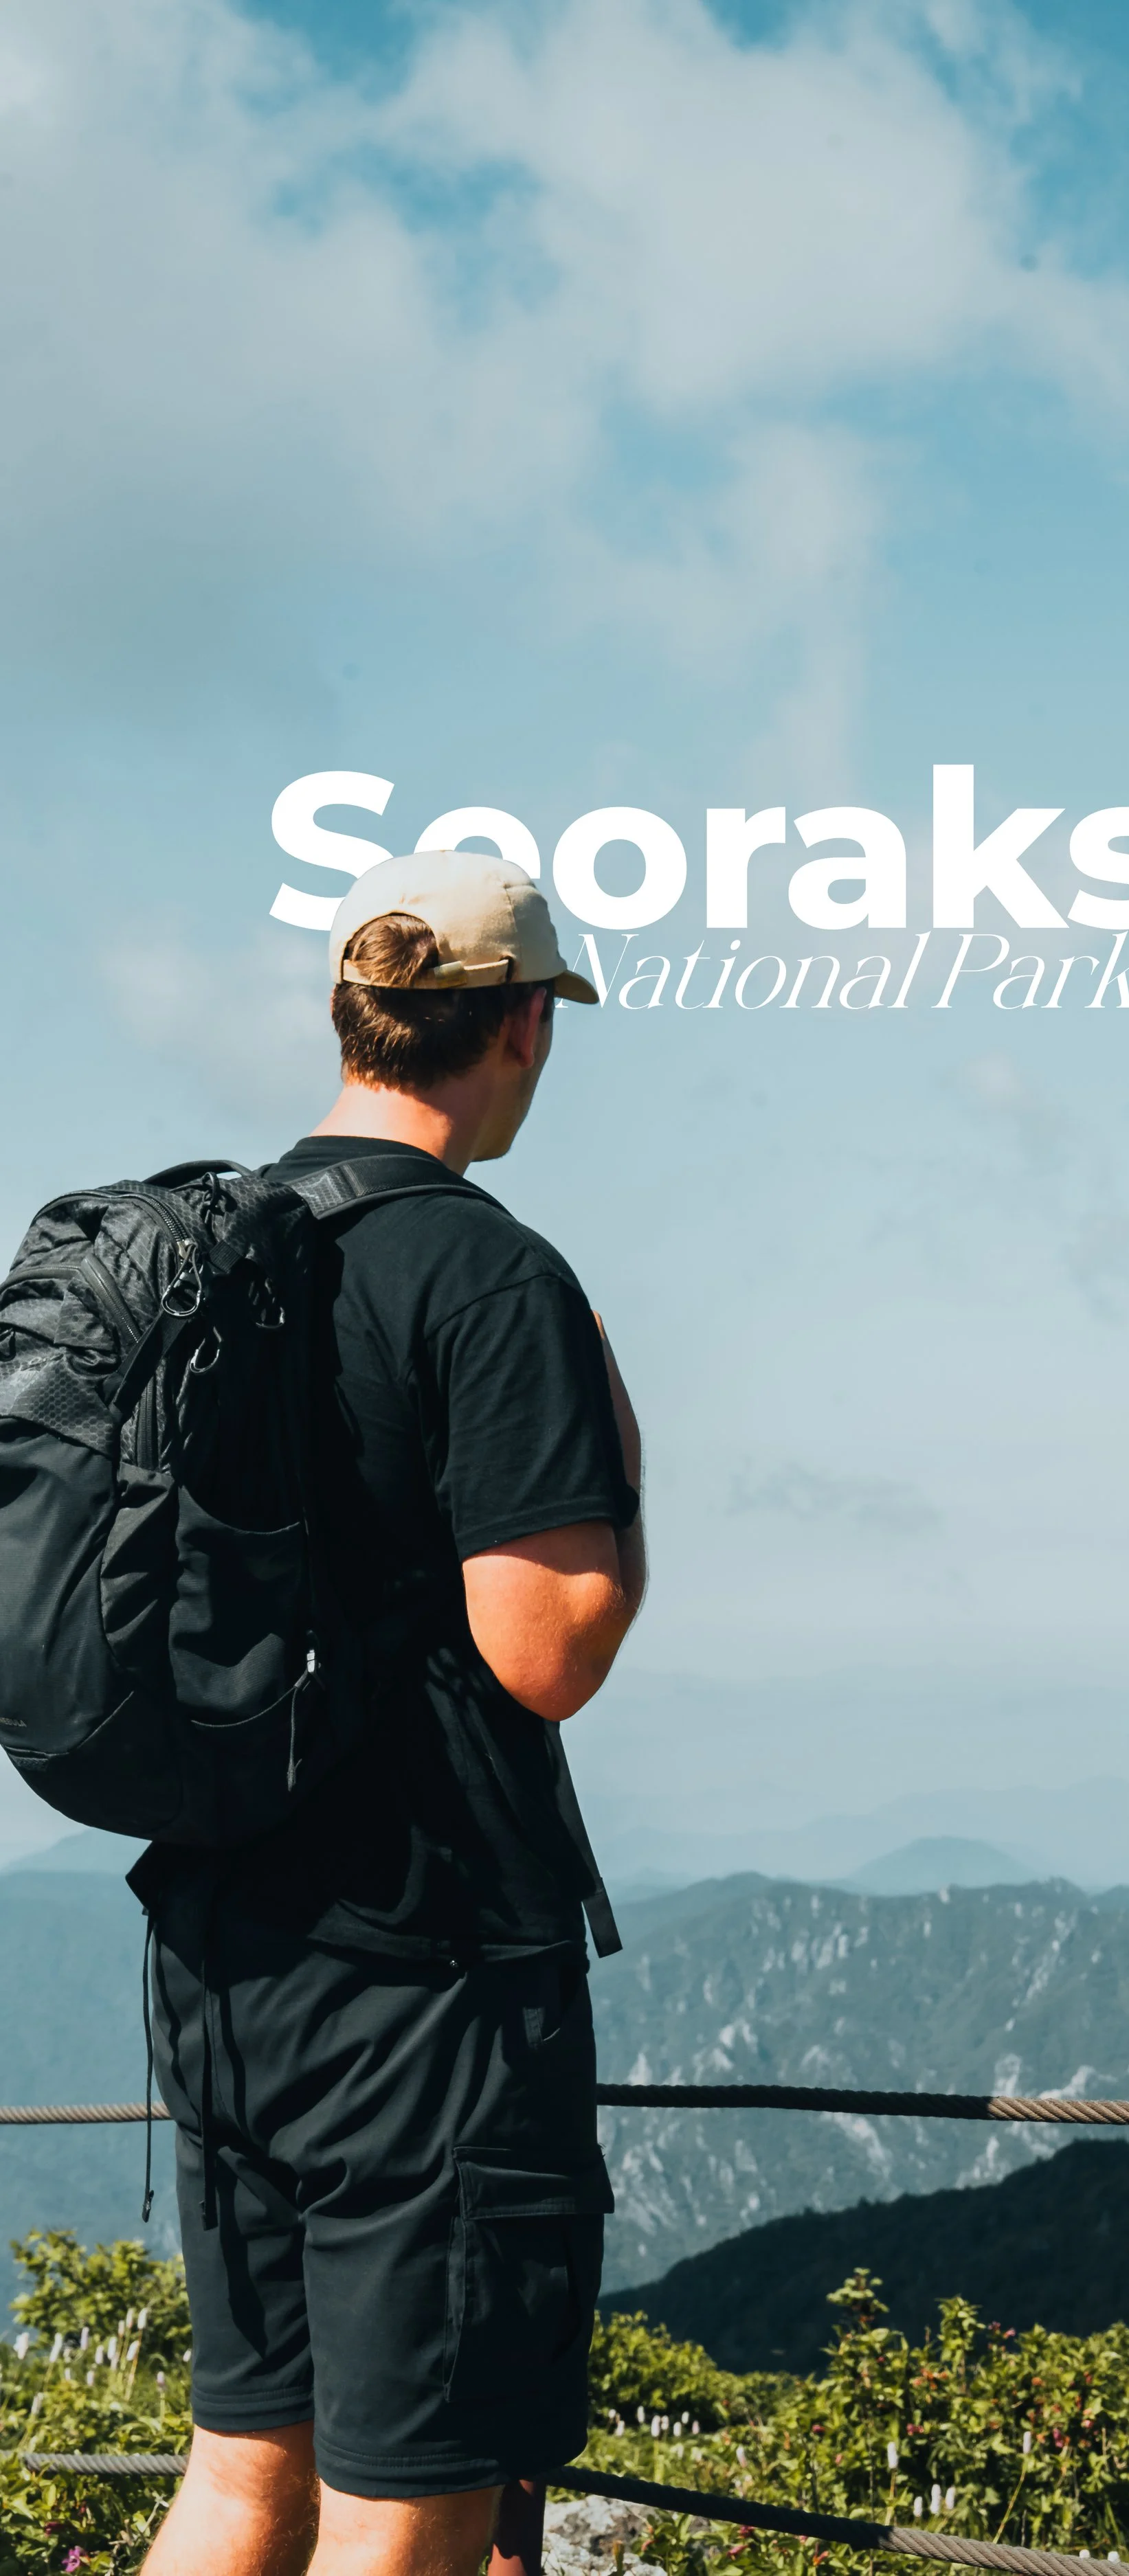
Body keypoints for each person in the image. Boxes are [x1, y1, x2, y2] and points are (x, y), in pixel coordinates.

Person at [133, 848, 645, 2576]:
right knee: (406, 2516)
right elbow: (546, 1647)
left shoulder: (216, 1253)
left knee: (238, 2480)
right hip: (416, 1991)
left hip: (218, 1952)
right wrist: (618, 1460)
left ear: (355, 1022)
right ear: (520, 1027)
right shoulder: (485, 1276)